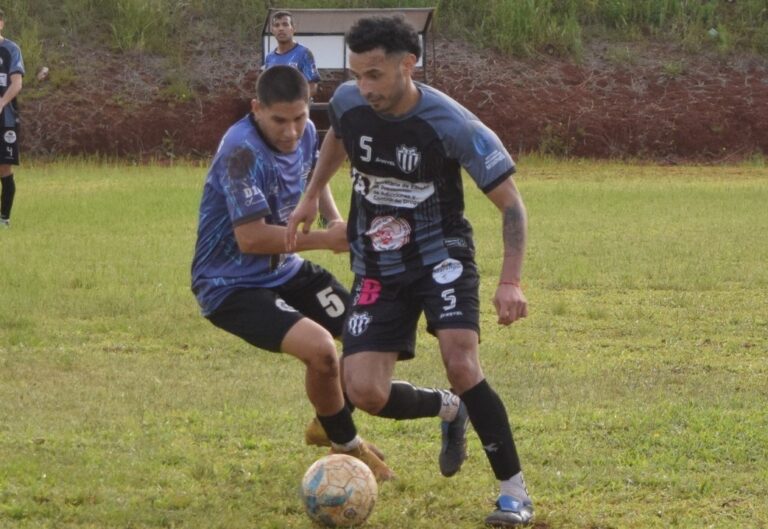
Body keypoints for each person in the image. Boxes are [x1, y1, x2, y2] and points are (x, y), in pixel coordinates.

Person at [287, 16, 535, 527]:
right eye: (357, 74)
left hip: (440, 256)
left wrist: (510, 281)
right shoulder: (353, 102)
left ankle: (514, 493)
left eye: (375, 74)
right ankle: (449, 409)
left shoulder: (452, 125)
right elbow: (338, 131)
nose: (364, 87)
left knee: (462, 363)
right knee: (365, 393)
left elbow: (512, 206)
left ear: (408, 64)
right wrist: (312, 195)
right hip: (378, 264)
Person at [189, 65, 396, 480]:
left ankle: (327, 420)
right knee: (322, 351)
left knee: (368, 330)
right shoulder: (241, 151)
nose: (291, 131)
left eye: (300, 118)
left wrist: (334, 220)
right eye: (279, 120)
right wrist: (327, 240)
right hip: (230, 285)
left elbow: (313, 182)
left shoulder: (303, 137)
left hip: (285, 269)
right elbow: (251, 239)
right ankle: (347, 443)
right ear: (256, 109)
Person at [0, 8, 24, 228]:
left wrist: (1, 103)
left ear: (1, 24)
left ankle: (4, 219)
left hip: (4, 120)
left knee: (3, 168)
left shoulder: (10, 50)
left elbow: (16, 84)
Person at [264, 11, 320, 98]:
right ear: (272, 30)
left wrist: (293, 103)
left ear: (293, 29)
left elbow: (313, 87)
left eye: (285, 24)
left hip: (296, 109)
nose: (281, 28)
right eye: (277, 25)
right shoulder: (270, 58)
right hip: (274, 109)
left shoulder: (304, 53)